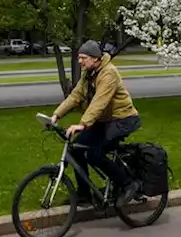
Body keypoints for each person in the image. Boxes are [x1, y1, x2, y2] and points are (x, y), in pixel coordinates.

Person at [50, 40, 142, 205]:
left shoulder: (108, 73)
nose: (80, 61)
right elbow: (75, 96)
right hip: (103, 121)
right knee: (75, 150)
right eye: (79, 58)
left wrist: (83, 124)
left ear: (95, 58)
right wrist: (56, 115)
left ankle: (129, 184)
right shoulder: (89, 73)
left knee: (94, 154)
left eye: (83, 58)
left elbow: (100, 101)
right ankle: (84, 195)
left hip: (122, 119)